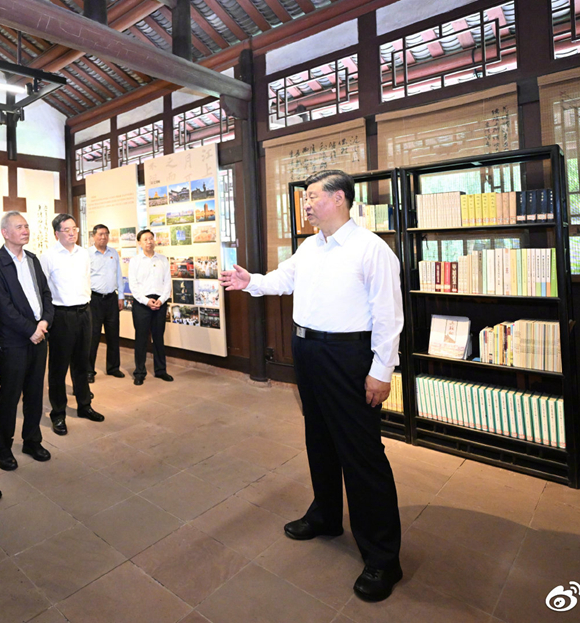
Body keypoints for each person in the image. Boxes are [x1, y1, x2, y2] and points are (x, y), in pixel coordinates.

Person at [219, 170, 404, 603]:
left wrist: (381, 370)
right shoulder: (310, 246)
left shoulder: (371, 249)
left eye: (312, 197)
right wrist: (252, 282)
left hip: (348, 356)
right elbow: (284, 280)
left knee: (361, 454)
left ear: (339, 199)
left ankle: (383, 558)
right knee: (319, 440)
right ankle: (325, 515)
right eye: (304, 198)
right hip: (308, 351)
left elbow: (388, 315)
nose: (305, 204)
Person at [0, 212, 53, 469]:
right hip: (13, 341)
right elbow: (3, 307)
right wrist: (30, 330)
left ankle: (32, 440)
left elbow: (46, 294)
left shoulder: (33, 260)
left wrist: (45, 322)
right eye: (19, 227)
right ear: (5, 232)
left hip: (39, 336)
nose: (25, 230)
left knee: (35, 393)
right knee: (10, 395)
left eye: (26, 226)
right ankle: (2, 447)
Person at [39, 214, 104, 435]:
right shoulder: (48, 256)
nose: (72, 233)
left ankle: (84, 405)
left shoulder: (83, 254)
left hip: (84, 312)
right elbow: (43, 290)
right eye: (66, 229)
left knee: (82, 363)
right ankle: (58, 413)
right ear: (56, 233)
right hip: (61, 315)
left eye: (74, 228)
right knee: (58, 367)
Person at [127, 229, 173, 386]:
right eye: (145, 239)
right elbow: (133, 285)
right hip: (142, 304)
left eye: (151, 238)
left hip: (160, 302)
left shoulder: (163, 260)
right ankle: (139, 372)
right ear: (139, 243)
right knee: (141, 338)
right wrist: (146, 301)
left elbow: (167, 283)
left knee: (158, 337)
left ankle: (161, 370)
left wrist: (161, 299)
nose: (149, 241)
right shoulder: (135, 261)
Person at [87, 224, 125, 382]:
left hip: (111, 299)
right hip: (94, 299)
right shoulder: (87, 254)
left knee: (113, 335)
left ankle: (113, 367)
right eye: (100, 234)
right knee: (93, 336)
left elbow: (118, 275)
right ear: (93, 236)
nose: (103, 237)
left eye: (106, 234)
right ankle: (89, 371)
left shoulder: (113, 253)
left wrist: (120, 296)